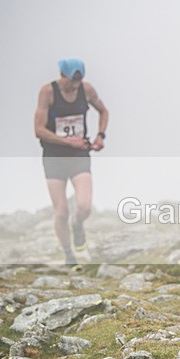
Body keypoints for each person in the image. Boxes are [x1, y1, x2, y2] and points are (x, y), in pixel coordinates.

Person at [34, 58, 109, 270]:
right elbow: (38, 130)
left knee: (84, 205)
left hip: (79, 155)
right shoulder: (47, 92)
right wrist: (66, 141)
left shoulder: (87, 90)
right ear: (62, 75)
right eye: (70, 82)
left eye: (77, 82)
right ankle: (69, 256)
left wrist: (100, 136)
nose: (73, 86)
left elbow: (104, 111)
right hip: (54, 156)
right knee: (61, 212)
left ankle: (78, 225)